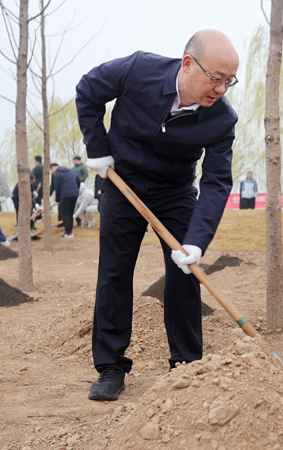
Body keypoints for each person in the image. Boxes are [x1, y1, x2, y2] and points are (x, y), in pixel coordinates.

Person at [75, 29, 239, 400]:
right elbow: (88, 91)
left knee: (184, 273)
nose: (221, 89)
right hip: (122, 182)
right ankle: (110, 366)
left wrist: (196, 242)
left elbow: (216, 182)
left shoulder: (221, 121)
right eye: (216, 78)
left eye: (229, 81)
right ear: (187, 64)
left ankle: (185, 364)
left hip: (175, 191)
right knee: (114, 272)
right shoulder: (138, 70)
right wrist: (97, 147)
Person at [50, 163, 80, 238]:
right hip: (75, 194)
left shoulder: (56, 174)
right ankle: (70, 231)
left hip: (65, 195)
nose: (52, 172)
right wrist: (77, 189)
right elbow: (78, 179)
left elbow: (57, 188)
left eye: (51, 170)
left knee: (65, 213)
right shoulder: (70, 171)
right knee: (70, 212)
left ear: (53, 168)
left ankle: (68, 232)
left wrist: (57, 200)